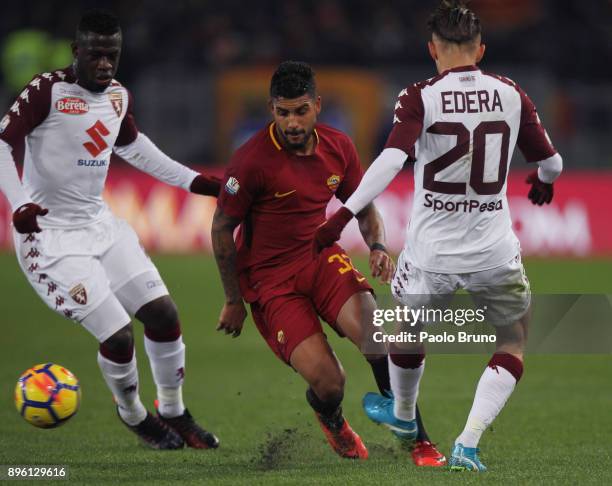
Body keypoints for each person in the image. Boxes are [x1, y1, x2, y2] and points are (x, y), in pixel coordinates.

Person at [314, 0, 562, 472]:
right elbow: (551, 162)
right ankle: (467, 443)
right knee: (512, 340)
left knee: (406, 330)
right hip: (494, 251)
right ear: (481, 49)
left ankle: (405, 416)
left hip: (431, 254)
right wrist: (545, 181)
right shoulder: (510, 93)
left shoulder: (418, 96)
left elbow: (391, 160)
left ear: (433, 50)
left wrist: (343, 214)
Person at [0, 9, 222, 450]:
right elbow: (3, 143)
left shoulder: (118, 95)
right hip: (50, 239)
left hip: (100, 225)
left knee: (163, 314)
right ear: (76, 52)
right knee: (119, 335)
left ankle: (174, 410)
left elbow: (135, 149)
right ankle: (134, 414)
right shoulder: (48, 90)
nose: (104, 64)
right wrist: (19, 203)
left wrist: (196, 181)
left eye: (112, 56)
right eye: (96, 55)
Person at [211, 60, 444, 465]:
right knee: (330, 383)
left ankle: (418, 441)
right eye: (283, 113)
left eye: (300, 111)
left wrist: (377, 245)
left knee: (377, 338)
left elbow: (365, 208)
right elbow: (221, 230)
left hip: (320, 260)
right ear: (272, 110)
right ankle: (332, 418)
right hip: (271, 282)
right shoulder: (251, 162)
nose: (292, 122)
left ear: (317, 105)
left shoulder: (340, 147)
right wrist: (233, 300)